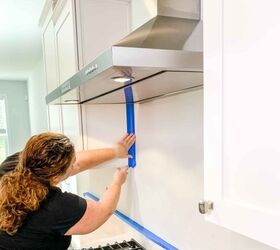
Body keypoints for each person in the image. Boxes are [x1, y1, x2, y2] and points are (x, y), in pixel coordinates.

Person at [0, 132, 136, 250]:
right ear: (56, 177)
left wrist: (116, 152)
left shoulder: (13, 166)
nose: (75, 164)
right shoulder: (54, 205)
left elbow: (77, 163)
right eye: (71, 164)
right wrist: (117, 182)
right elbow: (103, 211)